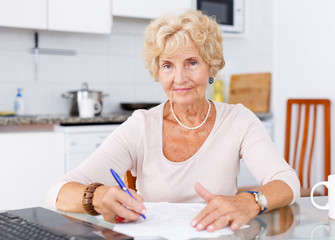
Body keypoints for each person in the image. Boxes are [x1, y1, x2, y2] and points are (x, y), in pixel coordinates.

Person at [47, 10, 300, 232]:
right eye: (168, 65)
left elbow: (288, 182)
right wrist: (98, 196)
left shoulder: (238, 119)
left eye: (192, 63)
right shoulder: (141, 126)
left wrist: (251, 201)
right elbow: (56, 192)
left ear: (211, 67)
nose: (179, 78)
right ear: (157, 72)